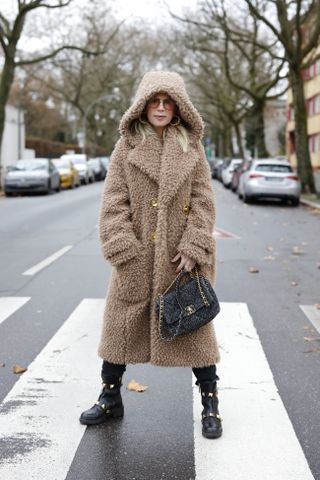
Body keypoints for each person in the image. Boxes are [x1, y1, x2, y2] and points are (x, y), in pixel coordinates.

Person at [79, 71, 222, 439]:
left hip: (181, 259)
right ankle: (110, 397)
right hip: (137, 256)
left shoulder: (192, 145)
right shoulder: (126, 146)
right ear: (143, 105)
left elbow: (204, 200)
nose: (160, 107)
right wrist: (124, 249)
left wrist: (194, 245)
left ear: (177, 107)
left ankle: (210, 404)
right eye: (154, 101)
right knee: (120, 328)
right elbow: (113, 201)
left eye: (167, 101)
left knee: (197, 330)